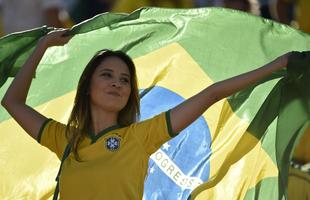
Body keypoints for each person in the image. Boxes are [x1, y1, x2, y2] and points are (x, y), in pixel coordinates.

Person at [0, 29, 296, 199]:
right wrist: (42, 47)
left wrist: (277, 64)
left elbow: (211, 94)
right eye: (107, 75)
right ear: (88, 87)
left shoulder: (141, 137)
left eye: (125, 79)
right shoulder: (65, 139)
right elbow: (12, 102)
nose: (117, 82)